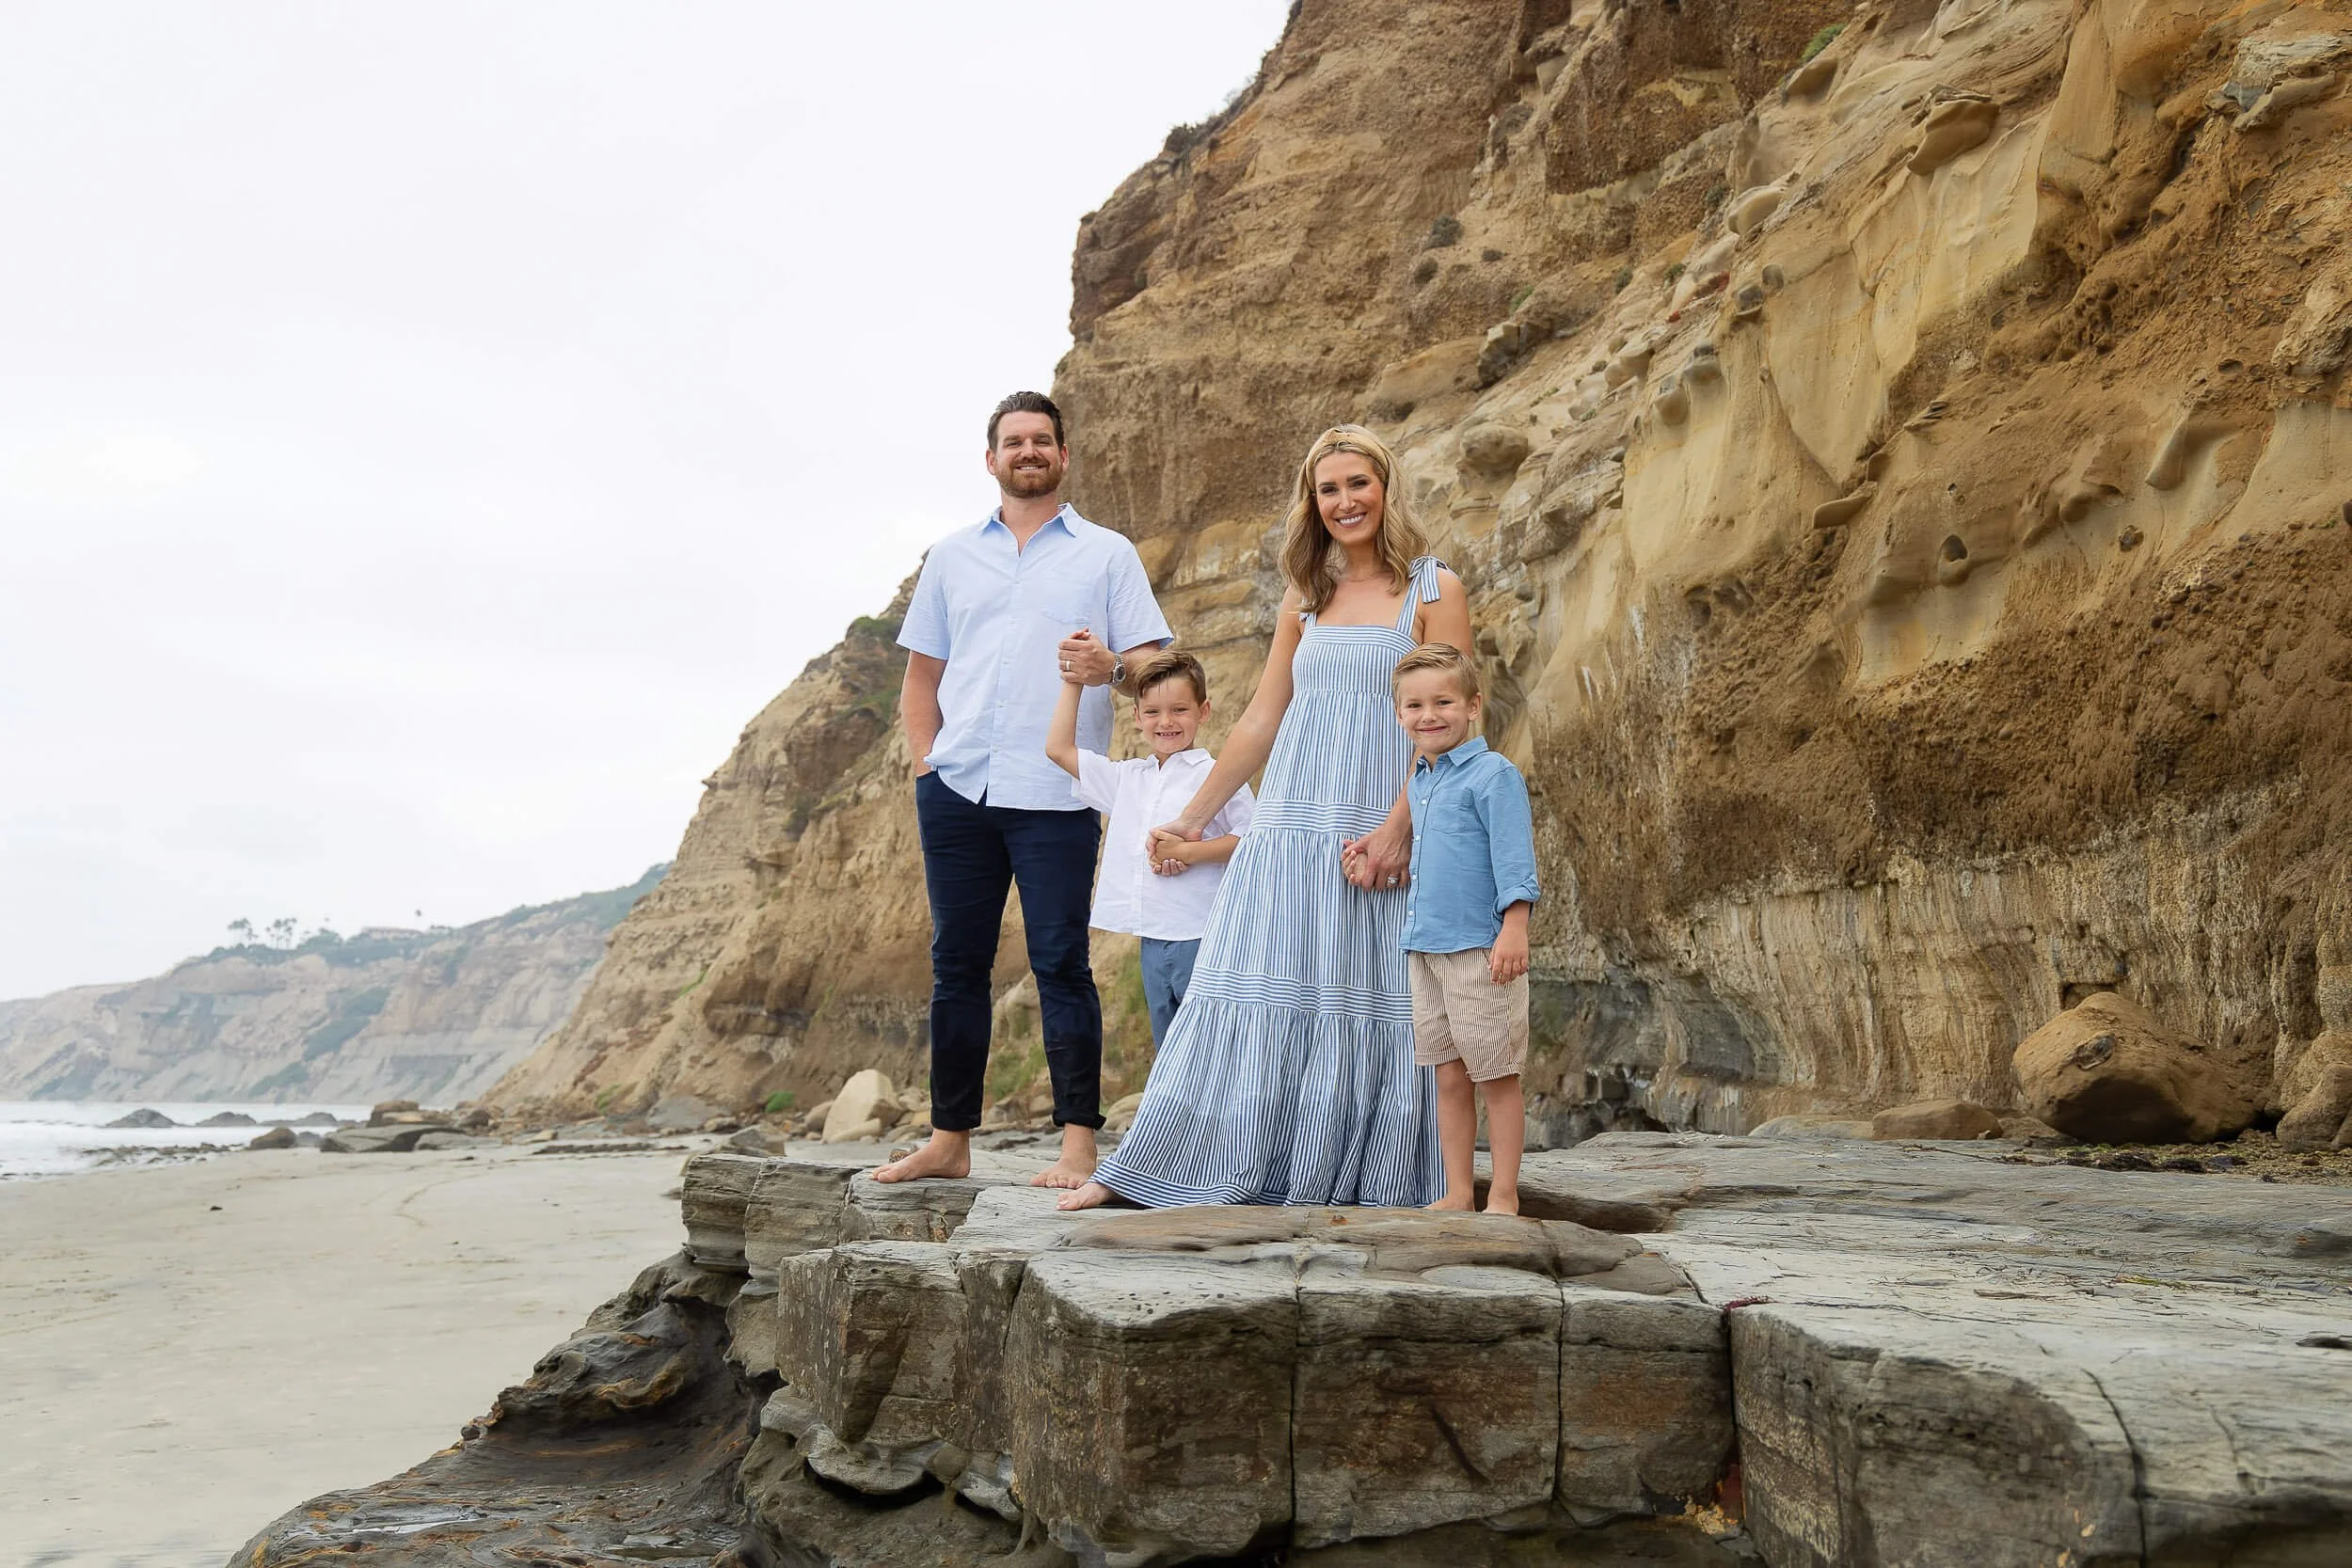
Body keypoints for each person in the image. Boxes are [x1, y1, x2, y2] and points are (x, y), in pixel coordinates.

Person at [1061, 424, 1474, 1211]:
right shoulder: (1306, 595)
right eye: (1328, 489)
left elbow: (1447, 723)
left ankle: (1375, 1176)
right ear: (1311, 505)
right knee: (1241, 988)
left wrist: (1399, 828)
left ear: (1385, 488)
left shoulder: (1433, 589)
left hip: (1375, 825)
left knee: (1370, 990)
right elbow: (1260, 717)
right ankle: (1155, 1170)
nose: (1345, 501)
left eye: (1358, 483)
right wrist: (1192, 815)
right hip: (1290, 823)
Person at [875, 391, 1171, 1190]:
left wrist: (1108, 666)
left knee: (1060, 965)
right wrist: (924, 760)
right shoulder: (949, 556)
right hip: (958, 788)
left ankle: (1078, 1147)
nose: (1029, 451)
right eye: (1014, 441)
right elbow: (923, 674)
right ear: (992, 459)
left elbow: (1153, 666)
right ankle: (949, 1140)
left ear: (1064, 456)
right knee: (957, 967)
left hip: (1058, 794)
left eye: (1043, 440)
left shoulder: (1108, 555)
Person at [1390, 641, 1539, 1214]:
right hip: (1425, 947)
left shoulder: (1493, 775)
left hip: (1481, 948)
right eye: (1414, 706)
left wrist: (1514, 928)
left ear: (1473, 705)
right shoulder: (1422, 782)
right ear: (1400, 715)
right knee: (1448, 1074)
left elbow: (1514, 860)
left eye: (1444, 702)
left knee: (1495, 1073)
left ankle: (1503, 1193)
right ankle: (1458, 1191)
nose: (1429, 716)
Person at [1045, 648, 1255, 1047]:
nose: (1166, 722)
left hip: (1203, 933)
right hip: (1152, 939)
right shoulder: (1129, 778)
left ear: (1203, 711)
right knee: (1167, 1043)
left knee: (1209, 1043)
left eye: (1179, 709)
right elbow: (1058, 750)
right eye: (1153, 712)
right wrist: (1074, 681)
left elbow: (1255, 840)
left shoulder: (1217, 774)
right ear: (1137, 717)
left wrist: (1191, 852)